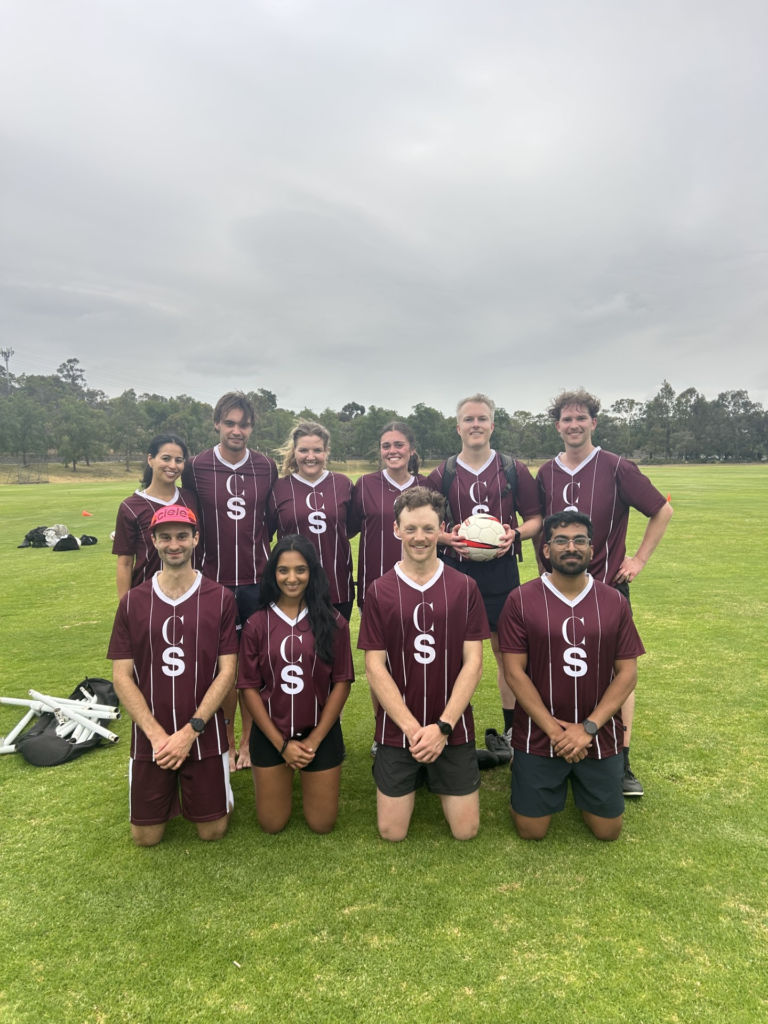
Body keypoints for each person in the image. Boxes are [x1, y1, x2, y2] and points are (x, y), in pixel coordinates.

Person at [537, 389, 673, 796]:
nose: (574, 425)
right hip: (555, 592)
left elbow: (661, 509)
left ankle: (622, 761)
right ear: (557, 425)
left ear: (594, 423)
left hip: (606, 591)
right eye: (566, 419)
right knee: (555, 670)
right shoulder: (546, 473)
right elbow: (541, 528)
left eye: (581, 418)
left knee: (617, 674)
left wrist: (639, 561)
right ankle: (552, 749)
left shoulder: (616, 467)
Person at [498, 511, 645, 842]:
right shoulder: (521, 600)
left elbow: (627, 674)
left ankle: (579, 781)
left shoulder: (613, 601)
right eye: (561, 541)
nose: (571, 547)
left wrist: (587, 728)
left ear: (592, 549)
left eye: (579, 540)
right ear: (546, 550)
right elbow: (514, 672)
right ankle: (525, 775)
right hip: (540, 734)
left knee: (608, 831)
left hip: (597, 734)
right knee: (531, 830)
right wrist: (555, 731)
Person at [358, 488, 490, 841]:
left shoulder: (465, 587)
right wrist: (414, 730)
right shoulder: (379, 590)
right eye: (411, 528)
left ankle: (439, 772)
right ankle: (413, 769)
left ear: (442, 528)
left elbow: (474, 663)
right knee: (391, 832)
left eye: (429, 529)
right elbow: (374, 667)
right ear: (396, 529)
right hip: (399, 729)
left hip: (452, 728)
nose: (420, 537)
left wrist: (442, 728)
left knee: (466, 831)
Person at [107, 505, 239, 847]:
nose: (174, 544)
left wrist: (191, 731)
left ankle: (206, 786)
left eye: (182, 535)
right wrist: (156, 736)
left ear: (196, 539)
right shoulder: (133, 601)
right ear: (153, 542)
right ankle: (173, 786)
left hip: (203, 732)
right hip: (152, 737)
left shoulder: (221, 598)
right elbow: (121, 677)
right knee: (145, 838)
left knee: (213, 832)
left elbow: (227, 672)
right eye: (165, 537)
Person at [426, 393, 542, 742]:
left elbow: (537, 518)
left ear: (492, 425)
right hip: (454, 574)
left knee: (507, 653)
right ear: (458, 426)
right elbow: (425, 525)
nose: (475, 425)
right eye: (468, 419)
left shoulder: (512, 468)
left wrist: (516, 534)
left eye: (481, 419)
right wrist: (446, 540)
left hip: (500, 573)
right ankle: (444, 727)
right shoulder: (441, 474)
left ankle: (513, 729)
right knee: (448, 652)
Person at [182, 391, 278, 771]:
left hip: (257, 581)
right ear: (217, 424)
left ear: (252, 427)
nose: (237, 430)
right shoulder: (196, 466)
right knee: (221, 667)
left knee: (253, 667)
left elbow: (271, 520)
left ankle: (249, 743)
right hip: (213, 582)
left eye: (244, 424)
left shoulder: (267, 467)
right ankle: (222, 744)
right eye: (230, 423)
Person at [237, 535, 354, 834]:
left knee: (322, 824)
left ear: (313, 572)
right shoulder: (256, 624)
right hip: (271, 733)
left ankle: (312, 758)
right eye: (283, 570)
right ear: (273, 573)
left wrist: (313, 742)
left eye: (300, 570)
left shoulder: (333, 621)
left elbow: (341, 683)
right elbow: (248, 688)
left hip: (320, 732)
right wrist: (282, 745)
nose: (292, 578)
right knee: (272, 824)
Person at [268, 421, 355, 620]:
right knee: (296, 648)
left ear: (326, 451)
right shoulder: (278, 488)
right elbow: (266, 535)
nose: (310, 457)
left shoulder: (343, 484)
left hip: (337, 586)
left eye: (317, 450)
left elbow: (349, 528)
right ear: (294, 451)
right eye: (303, 450)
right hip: (292, 588)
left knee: (335, 648)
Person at [349, 420, 431, 608]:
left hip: (422, 585)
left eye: (399, 445)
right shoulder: (365, 484)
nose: (392, 451)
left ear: (411, 449)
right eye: (386, 446)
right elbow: (349, 530)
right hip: (374, 587)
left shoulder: (427, 485)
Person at [112, 434, 198, 600]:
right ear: (150, 460)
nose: (172, 465)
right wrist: (125, 607)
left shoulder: (191, 499)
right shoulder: (130, 507)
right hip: (148, 597)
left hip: (191, 594)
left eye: (179, 460)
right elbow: (125, 563)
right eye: (166, 458)